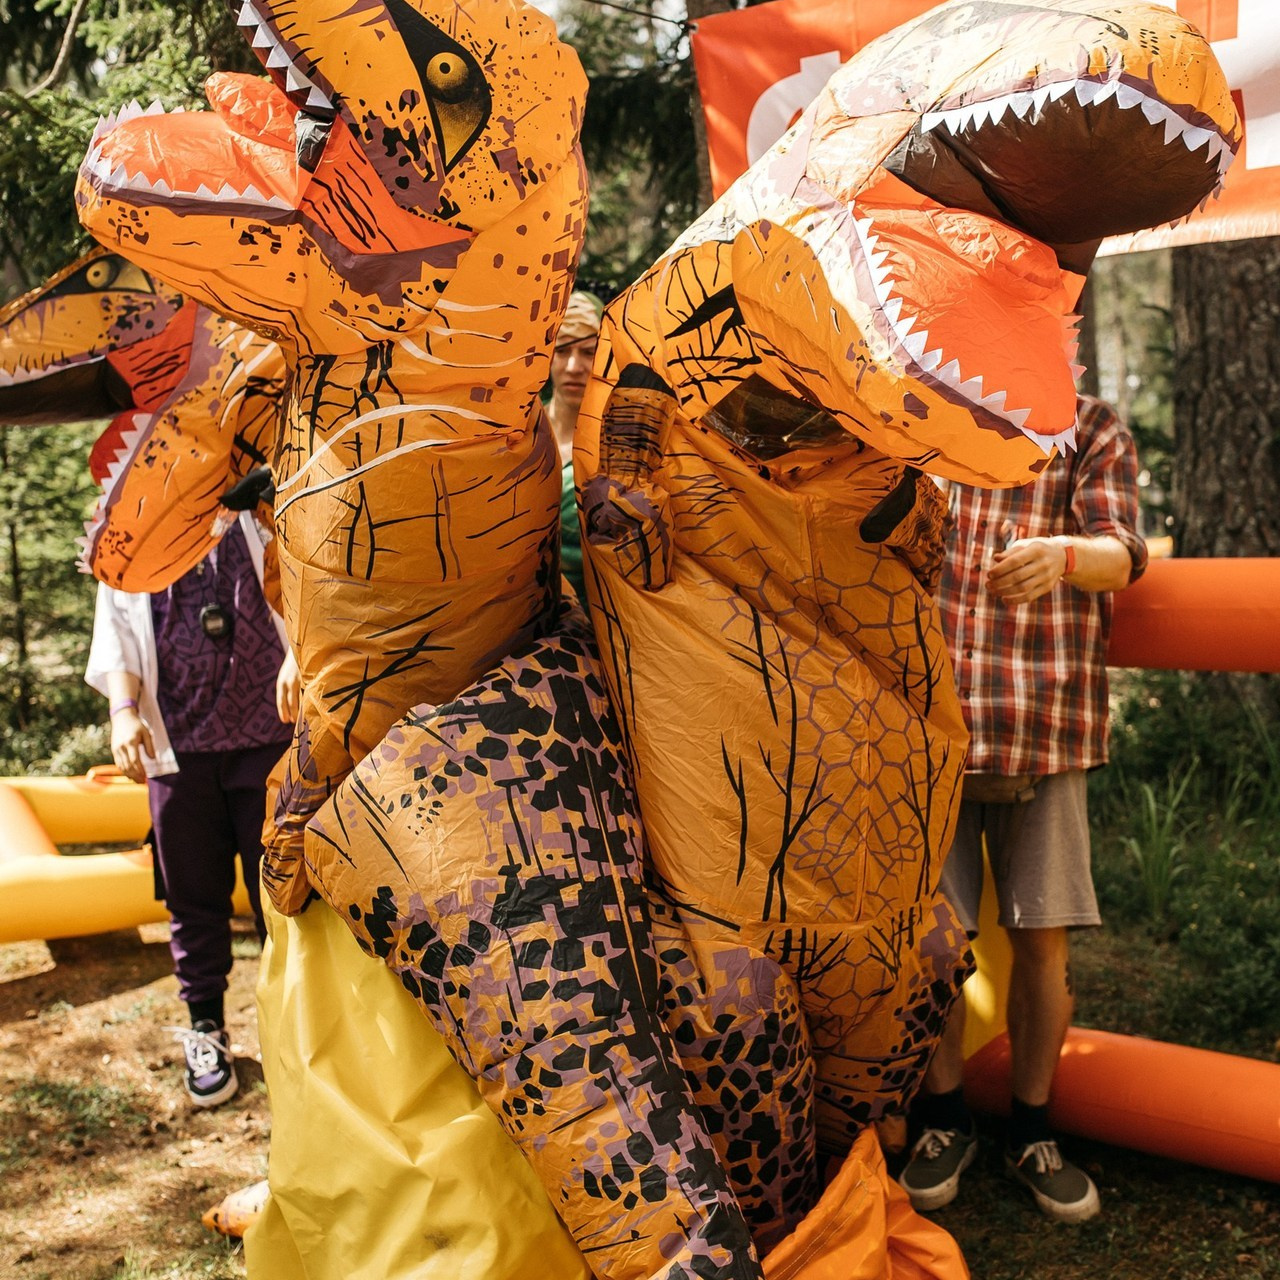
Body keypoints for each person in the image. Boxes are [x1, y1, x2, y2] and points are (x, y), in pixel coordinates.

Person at [900, 394, 1147, 1223]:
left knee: (1043, 943)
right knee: (931, 944)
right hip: (927, 729)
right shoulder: (919, 411)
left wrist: (1063, 557)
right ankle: (942, 1118)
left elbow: (1123, 554)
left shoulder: (1090, 423)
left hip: (1043, 723)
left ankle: (1033, 1132)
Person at [86, 510, 298, 1108]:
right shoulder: (132, 529)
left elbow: (312, 582)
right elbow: (118, 625)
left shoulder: (263, 508)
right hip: (176, 745)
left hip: (270, 737)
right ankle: (206, 1028)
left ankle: (297, 1030)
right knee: (192, 898)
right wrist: (123, 712)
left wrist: (300, 653)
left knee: (282, 894)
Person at [547, 289, 601, 603]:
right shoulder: (518, 431)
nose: (572, 366)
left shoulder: (615, 446)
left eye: (588, 352)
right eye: (562, 349)